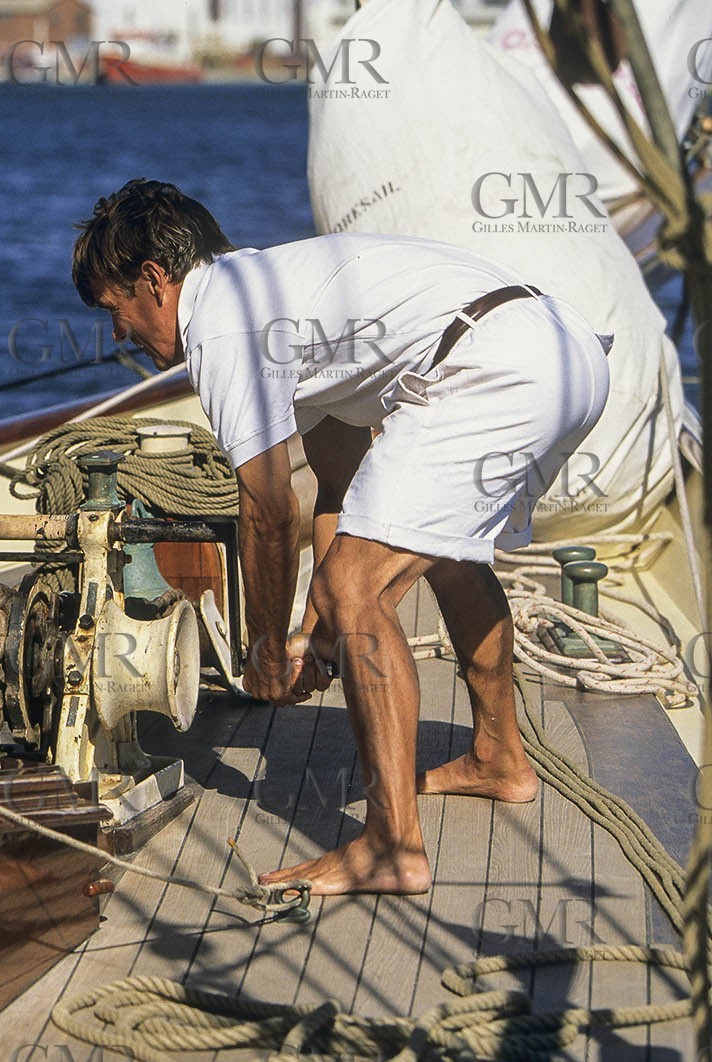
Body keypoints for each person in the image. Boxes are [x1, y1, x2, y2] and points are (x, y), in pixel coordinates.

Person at [72, 179, 610, 895]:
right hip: (562, 354)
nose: (119, 334)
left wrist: (266, 650)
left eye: (116, 311)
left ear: (154, 280)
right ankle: (499, 757)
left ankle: (392, 846)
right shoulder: (277, 296)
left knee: (355, 585)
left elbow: (265, 508)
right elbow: (340, 482)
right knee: (441, 551)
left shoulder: (224, 324)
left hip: (496, 367)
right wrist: (315, 630)